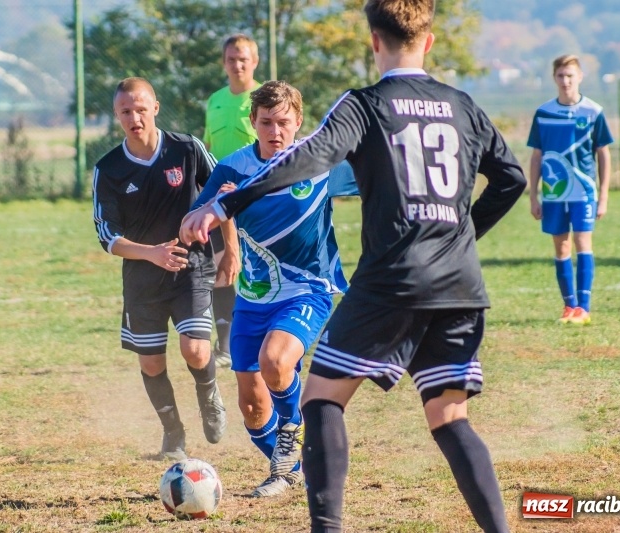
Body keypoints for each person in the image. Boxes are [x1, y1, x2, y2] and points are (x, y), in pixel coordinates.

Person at [180, 0, 527, 530]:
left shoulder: (365, 104)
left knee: (321, 400)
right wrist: (463, 236)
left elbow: (308, 157)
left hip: (393, 278)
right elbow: (512, 180)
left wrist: (225, 203)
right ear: (429, 42)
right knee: (449, 418)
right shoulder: (463, 105)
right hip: (458, 283)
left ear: (373, 42)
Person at [191, 80, 357, 498]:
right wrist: (213, 212)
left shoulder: (322, 165)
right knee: (251, 405)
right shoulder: (232, 170)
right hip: (254, 297)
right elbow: (189, 224)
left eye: (284, 122)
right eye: (266, 122)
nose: (275, 131)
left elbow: (383, 181)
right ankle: (288, 468)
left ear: (298, 121)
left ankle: (294, 428)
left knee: (276, 360)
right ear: (254, 122)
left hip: (308, 290)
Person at [93, 77, 237, 461]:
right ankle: (173, 433)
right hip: (142, 277)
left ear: (155, 108)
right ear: (116, 116)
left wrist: (232, 251)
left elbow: (226, 195)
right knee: (152, 360)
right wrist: (151, 253)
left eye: (141, 109)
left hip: (192, 269)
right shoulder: (108, 169)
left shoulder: (187, 149)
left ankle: (209, 396)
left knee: (194, 349)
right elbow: (107, 236)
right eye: (126, 111)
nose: (134, 117)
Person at [528, 54, 613, 326]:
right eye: (561, 76)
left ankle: (584, 308)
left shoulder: (593, 112)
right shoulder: (544, 113)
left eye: (570, 75)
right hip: (554, 193)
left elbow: (604, 154)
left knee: (582, 243)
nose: (566, 81)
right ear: (554, 78)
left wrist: (604, 196)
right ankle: (569, 307)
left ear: (580, 77)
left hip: (584, 191)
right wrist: (534, 194)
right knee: (561, 246)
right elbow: (536, 155)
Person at [203, 34, 263, 368]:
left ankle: (261, 336)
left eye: (243, 58)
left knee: (257, 265)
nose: (237, 64)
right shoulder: (215, 100)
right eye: (231, 59)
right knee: (222, 263)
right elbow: (209, 148)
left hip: (255, 196)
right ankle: (224, 346)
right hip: (220, 200)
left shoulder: (265, 98)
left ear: (254, 62)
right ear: (223, 63)